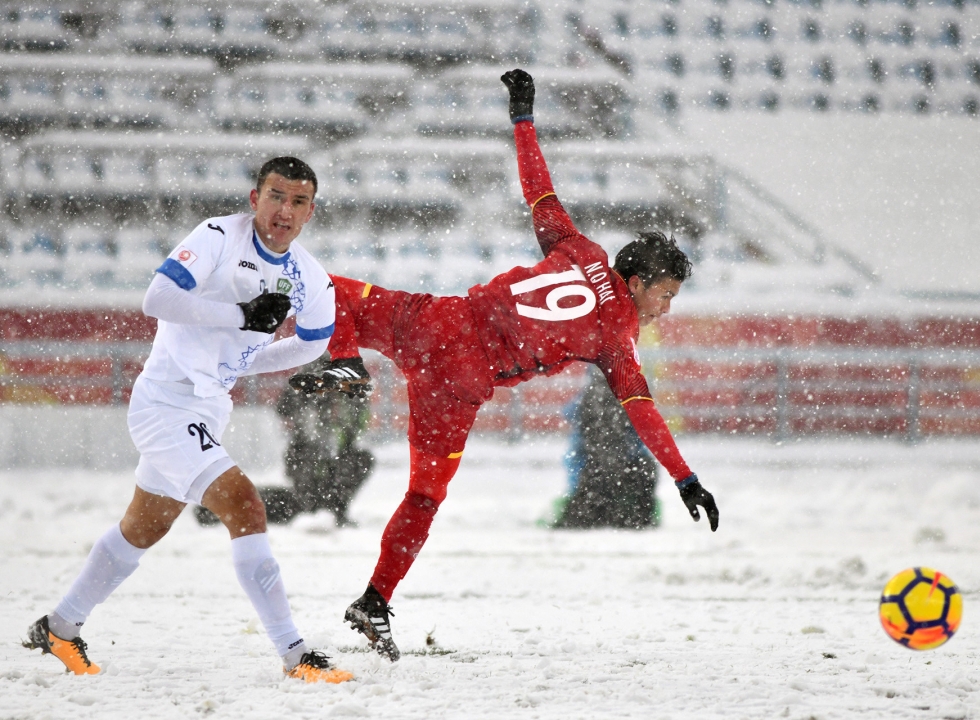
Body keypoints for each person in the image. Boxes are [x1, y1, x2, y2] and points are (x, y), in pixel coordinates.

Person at [290, 70, 719, 663]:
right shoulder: (616, 336)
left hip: (439, 320)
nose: (665, 310)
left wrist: (522, 117)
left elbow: (538, 192)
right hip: (462, 383)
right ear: (639, 282)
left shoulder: (579, 249)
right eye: (666, 295)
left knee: (320, 287)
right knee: (423, 497)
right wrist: (684, 476)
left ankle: (335, 358)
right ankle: (373, 599)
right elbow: (642, 413)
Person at [24, 157, 353, 683]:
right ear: (254, 198)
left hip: (209, 408)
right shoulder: (219, 236)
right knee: (245, 505)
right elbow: (158, 297)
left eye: (297, 201)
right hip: (164, 403)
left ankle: (60, 627)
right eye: (275, 195)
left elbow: (314, 342)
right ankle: (295, 656)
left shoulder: (308, 276)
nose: (283, 210)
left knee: (142, 529)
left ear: (311, 211)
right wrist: (240, 317)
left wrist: (243, 362)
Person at [194, 357, 375, 529]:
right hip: (306, 457)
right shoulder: (312, 378)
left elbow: (357, 425)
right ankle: (223, 507)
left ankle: (330, 510)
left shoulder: (352, 387)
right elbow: (285, 408)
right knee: (300, 503)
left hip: (334, 459)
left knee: (358, 462)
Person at [553, 364, 660, 530]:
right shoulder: (632, 401)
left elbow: (575, 453)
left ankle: (600, 516)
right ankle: (634, 517)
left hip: (593, 477)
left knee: (581, 517)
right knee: (645, 471)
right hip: (626, 476)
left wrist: (574, 487)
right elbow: (642, 444)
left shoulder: (584, 403)